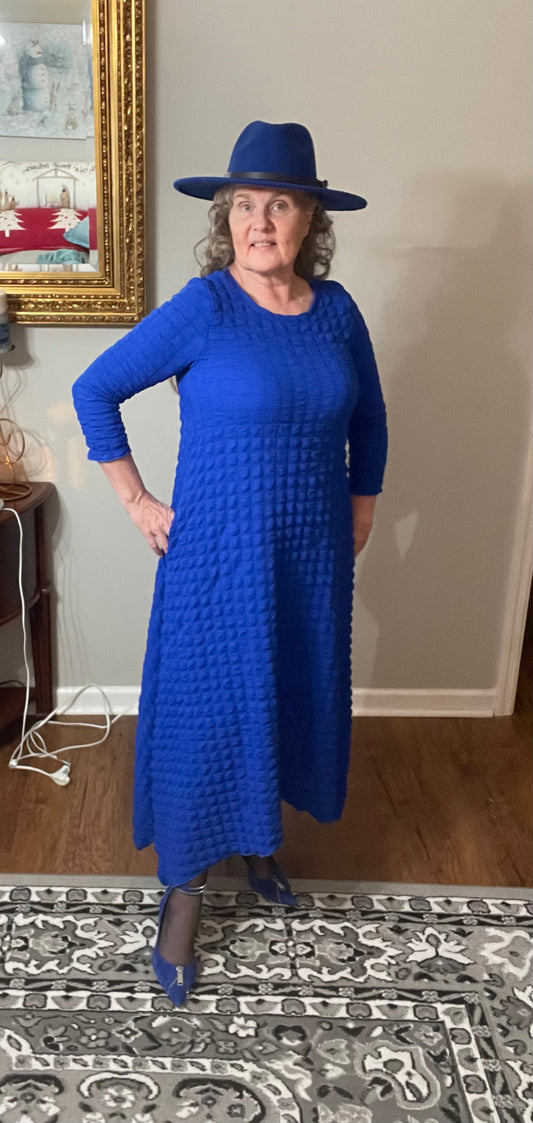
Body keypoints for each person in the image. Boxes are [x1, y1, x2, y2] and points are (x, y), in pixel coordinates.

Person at [71, 119, 388, 1007]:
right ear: (226, 217)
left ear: (310, 219)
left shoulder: (336, 312)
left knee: (287, 691)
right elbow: (95, 389)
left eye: (279, 205)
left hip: (310, 551)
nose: (260, 221)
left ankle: (258, 839)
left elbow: (369, 418)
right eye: (244, 204)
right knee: (206, 712)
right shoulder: (205, 306)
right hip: (217, 558)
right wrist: (137, 500)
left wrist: (362, 503)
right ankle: (182, 890)